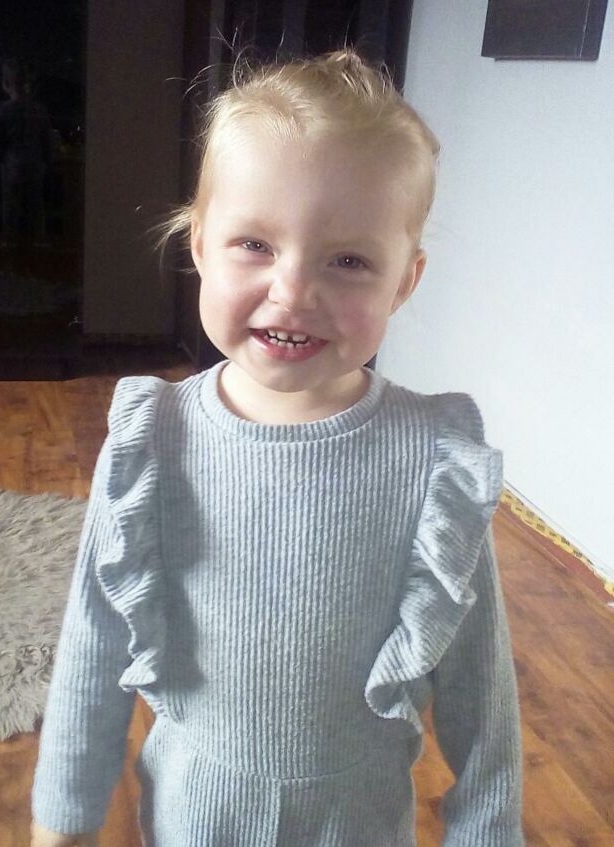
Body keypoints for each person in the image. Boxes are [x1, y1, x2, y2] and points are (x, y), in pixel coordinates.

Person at [30, 48, 525, 847]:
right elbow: (92, 648)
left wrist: (488, 830)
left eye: (350, 260)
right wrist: (63, 821)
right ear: (199, 245)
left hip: (359, 826)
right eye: (255, 244)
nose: (293, 291)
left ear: (404, 281)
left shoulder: (435, 462)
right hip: (193, 818)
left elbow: (482, 690)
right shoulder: (151, 440)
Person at [0, 58, 53, 248]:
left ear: (6, 83)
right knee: (36, 207)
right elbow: (47, 141)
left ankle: (9, 242)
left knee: (10, 208)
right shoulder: (39, 110)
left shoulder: (1, 110)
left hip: (11, 166)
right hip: (35, 166)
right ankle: (40, 241)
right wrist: (48, 162)